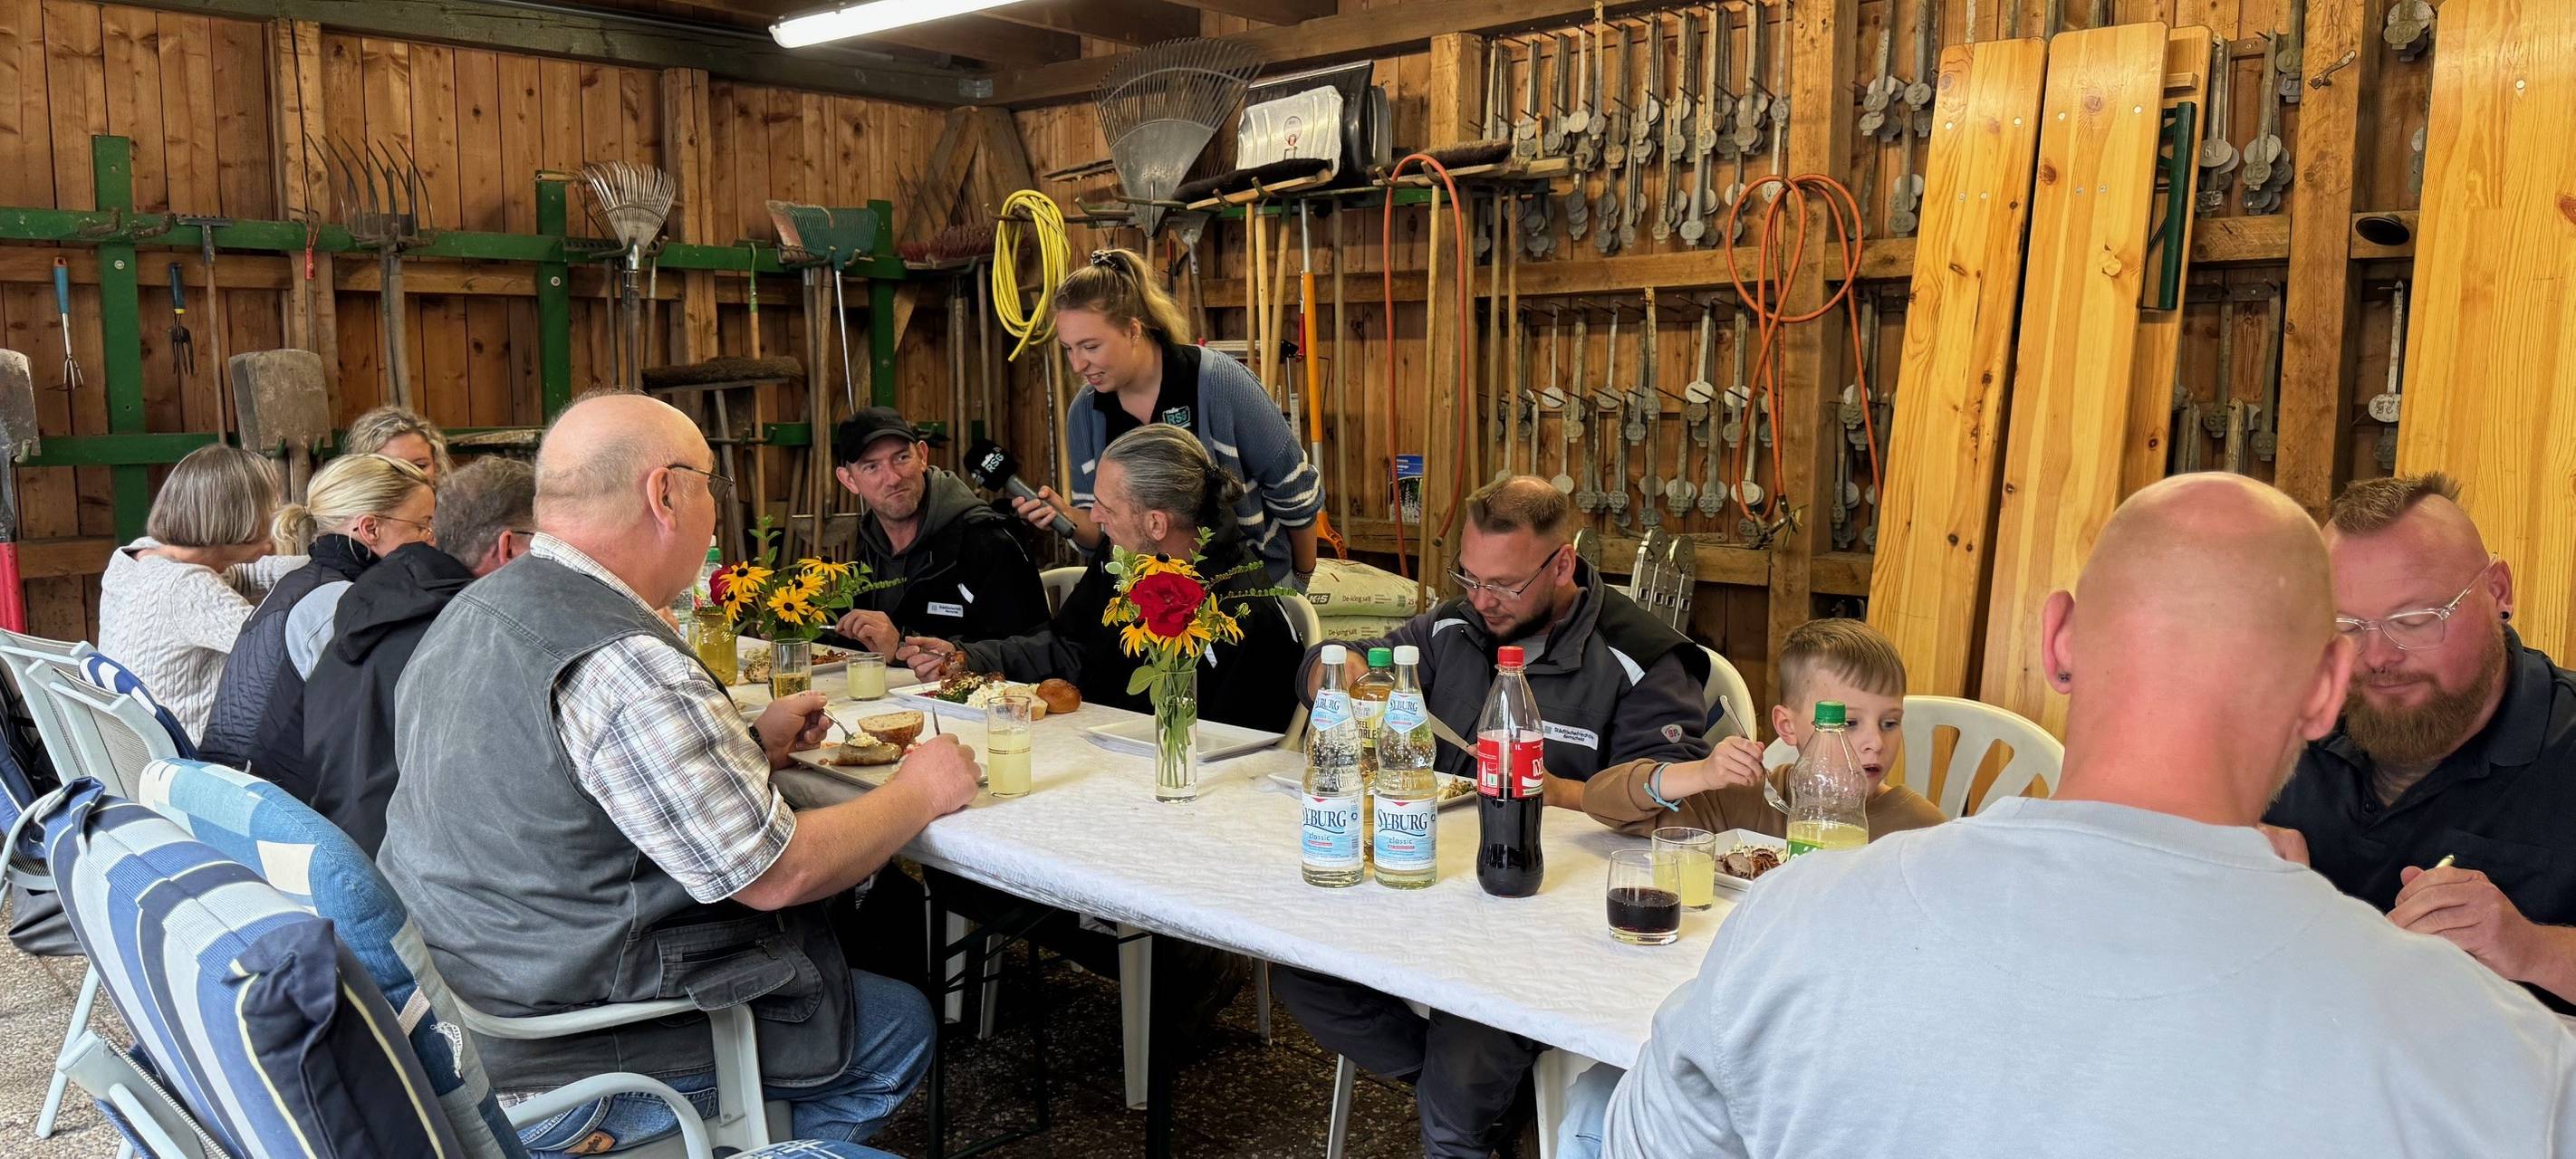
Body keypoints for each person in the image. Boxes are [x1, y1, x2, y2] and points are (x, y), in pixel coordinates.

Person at [1580, 474, 2576, 1157]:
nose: (2388, 652)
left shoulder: (1789, 924)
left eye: (2416, 617)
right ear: (2327, 687)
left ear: (2057, 642)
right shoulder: (2495, 1057)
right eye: (2364, 631)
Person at [377, 395, 980, 1157]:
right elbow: (775, 875)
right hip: (574, 1054)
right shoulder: (626, 662)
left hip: (470, 1010)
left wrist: (746, 748)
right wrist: (920, 791)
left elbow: (557, 798)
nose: (716, 512)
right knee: (895, 1023)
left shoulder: (477, 608)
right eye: (709, 485)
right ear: (664, 494)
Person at [1272, 474, 1710, 1159]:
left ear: (1562, 563)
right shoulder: (1454, 624)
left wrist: (1536, 783)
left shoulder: (1643, 658)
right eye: (1469, 577)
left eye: (1504, 585)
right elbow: (1342, 662)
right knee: (1298, 963)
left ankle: (1463, 1116)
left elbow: (1669, 804)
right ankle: (1490, 1107)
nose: (1482, 600)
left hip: (1547, 924)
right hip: (1434, 884)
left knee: (1465, 1057)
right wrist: (1346, 673)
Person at [2264, 472, 2576, 1015]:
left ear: (2498, 592)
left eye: (2415, 620)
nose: (2379, 657)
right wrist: (2217, 855)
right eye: (2347, 625)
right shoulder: (2278, 717)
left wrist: (2531, 948)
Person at [902, 423, 1301, 735]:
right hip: (1093, 750)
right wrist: (970, 656)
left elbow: (1249, 751)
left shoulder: (1244, 611)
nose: (1093, 518)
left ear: (1156, 522)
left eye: (1106, 507)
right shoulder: (1125, 555)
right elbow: (1070, 646)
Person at [1006, 248, 1324, 589]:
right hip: (1143, 597)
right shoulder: (1085, 413)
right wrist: (1067, 517)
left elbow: (1295, 489)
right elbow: (1101, 535)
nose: (1077, 365)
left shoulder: (1219, 383)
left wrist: (1301, 582)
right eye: (1069, 348)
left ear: (1132, 330)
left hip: (1248, 587)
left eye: (1090, 346)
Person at [288, 457, 534, 854]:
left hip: (337, 848)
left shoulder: (375, 599)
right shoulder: (468, 636)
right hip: (403, 877)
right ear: (508, 547)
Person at [1582, 618, 1945, 840]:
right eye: (1847, 723)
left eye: (1890, 723)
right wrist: (1702, 774)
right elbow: (1600, 800)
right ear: (1787, 727)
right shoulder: (1753, 799)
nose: (1875, 743)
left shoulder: (1919, 827)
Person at [197, 454, 434, 773]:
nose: (431, 539)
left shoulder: (302, 583)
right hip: (276, 808)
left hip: (239, 790)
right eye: (421, 525)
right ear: (370, 528)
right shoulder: (341, 603)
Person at [96, 445, 303, 741]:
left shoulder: (139, 557)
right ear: (235, 517)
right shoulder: (188, 589)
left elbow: (251, 574)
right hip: (191, 759)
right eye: (268, 508)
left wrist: (331, 562)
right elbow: (285, 646)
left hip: (133, 748)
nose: (274, 516)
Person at [821, 407, 1047, 658]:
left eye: (901, 458)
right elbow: (863, 640)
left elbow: (1033, 652)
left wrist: (902, 645)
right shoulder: (869, 539)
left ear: (922, 455)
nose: (893, 478)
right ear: (849, 480)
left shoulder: (989, 539)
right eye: (872, 467)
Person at [344, 403, 451, 481]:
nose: (411, 477)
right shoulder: (349, 510)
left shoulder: (452, 508)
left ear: (436, 467)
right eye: (393, 468)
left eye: (420, 466)